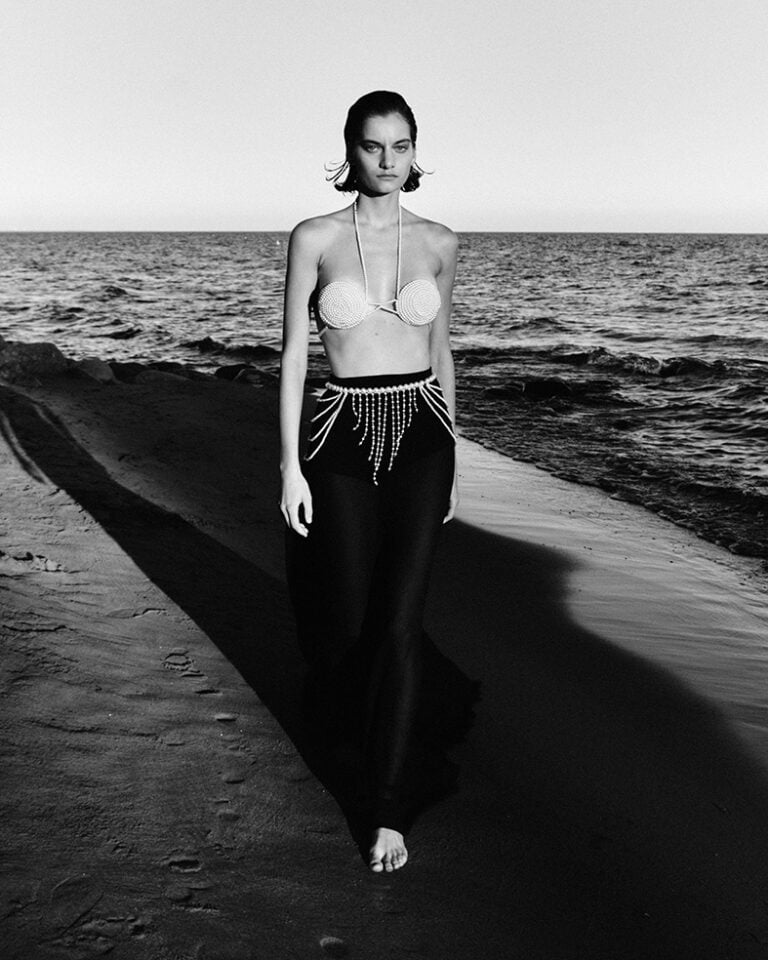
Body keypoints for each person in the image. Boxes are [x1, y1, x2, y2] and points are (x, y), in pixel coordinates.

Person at [279, 90, 470, 874]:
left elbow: (445, 346)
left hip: (424, 433)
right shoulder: (315, 237)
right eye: (371, 146)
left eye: (400, 145)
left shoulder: (441, 241)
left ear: (416, 150)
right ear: (349, 152)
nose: (387, 160)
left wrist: (454, 452)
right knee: (352, 618)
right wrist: (289, 464)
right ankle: (346, 729)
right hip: (339, 434)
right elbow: (294, 353)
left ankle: (387, 808)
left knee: (400, 623)